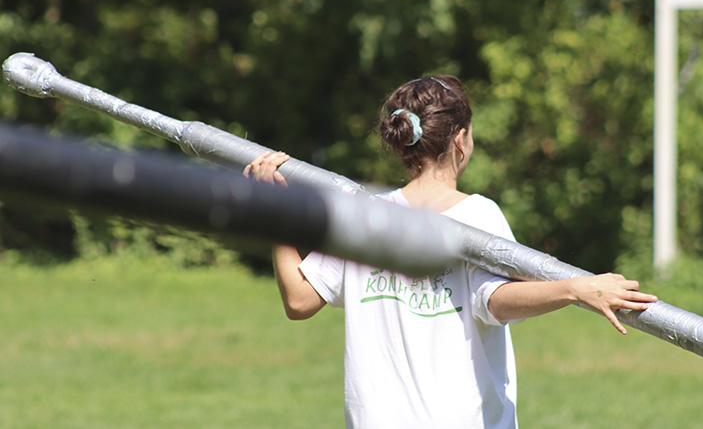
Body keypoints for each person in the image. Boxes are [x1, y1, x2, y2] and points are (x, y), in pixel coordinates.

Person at [244, 75, 657, 429]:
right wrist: (575, 289)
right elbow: (494, 302)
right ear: (460, 140)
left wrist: (276, 214)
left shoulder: (364, 217)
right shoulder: (477, 213)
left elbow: (298, 300)